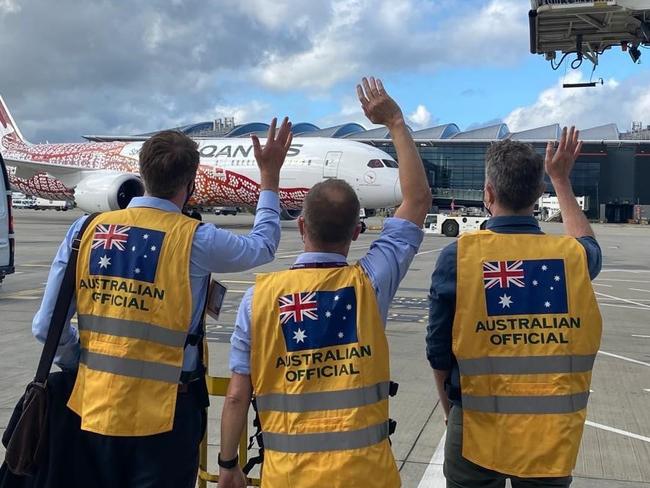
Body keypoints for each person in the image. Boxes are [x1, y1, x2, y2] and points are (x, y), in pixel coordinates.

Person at [31, 118, 293, 488]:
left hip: (92, 406)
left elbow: (46, 326)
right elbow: (263, 245)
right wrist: (270, 180)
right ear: (190, 183)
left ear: (143, 172)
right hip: (167, 414)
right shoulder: (196, 240)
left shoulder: (84, 231)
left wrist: (83, 367)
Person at [218, 77, 432, 488]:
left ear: (300, 225)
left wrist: (228, 465)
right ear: (357, 232)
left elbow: (236, 396)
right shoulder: (369, 284)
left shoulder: (257, 299)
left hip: (289, 476)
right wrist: (396, 124)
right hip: (365, 476)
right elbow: (418, 200)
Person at [427, 128, 603, 488]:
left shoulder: (458, 256)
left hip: (476, 425)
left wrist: (452, 414)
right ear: (539, 195)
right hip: (550, 432)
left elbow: (439, 351)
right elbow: (587, 241)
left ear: (488, 194)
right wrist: (562, 181)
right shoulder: (572, 257)